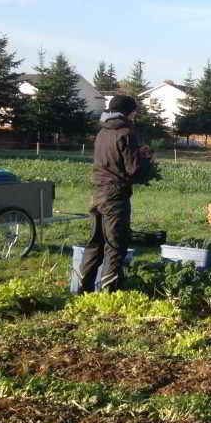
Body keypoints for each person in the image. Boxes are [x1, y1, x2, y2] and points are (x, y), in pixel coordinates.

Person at [79, 94, 152, 292]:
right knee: (115, 245)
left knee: (95, 243)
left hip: (97, 193)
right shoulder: (126, 133)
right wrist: (146, 158)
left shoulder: (102, 132)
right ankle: (109, 294)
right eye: (134, 111)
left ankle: (82, 290)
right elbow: (134, 169)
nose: (135, 115)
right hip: (115, 196)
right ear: (128, 112)